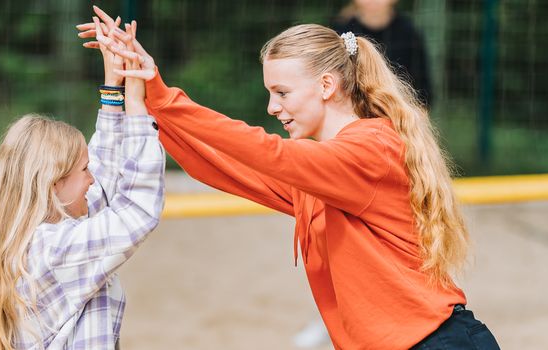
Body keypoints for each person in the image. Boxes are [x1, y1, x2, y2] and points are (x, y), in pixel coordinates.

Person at [85, 10, 500, 349]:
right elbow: (222, 167)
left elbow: (267, 152)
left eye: (282, 92)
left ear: (326, 85)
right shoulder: (320, 170)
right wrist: (144, 96)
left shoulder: (371, 148)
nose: (271, 106)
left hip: (437, 342)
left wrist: (164, 94)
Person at [0, 12, 164, 349]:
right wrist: (137, 104)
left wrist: (114, 85)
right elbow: (137, 211)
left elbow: (102, 174)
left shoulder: (37, 235)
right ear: (53, 185)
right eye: (83, 170)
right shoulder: (56, 250)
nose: (92, 180)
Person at [333, 0, 434, 108]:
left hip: (397, 112)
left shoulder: (409, 34)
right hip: (352, 110)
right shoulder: (340, 32)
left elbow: (423, 90)